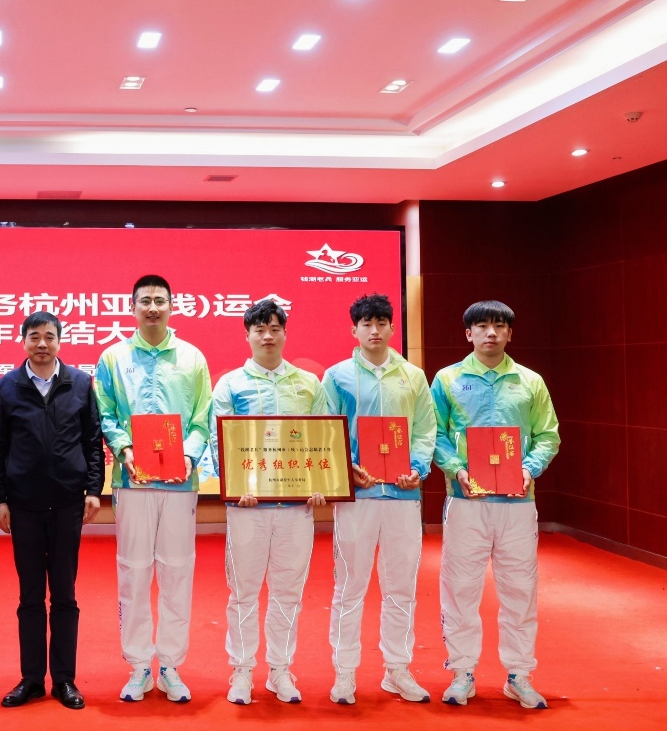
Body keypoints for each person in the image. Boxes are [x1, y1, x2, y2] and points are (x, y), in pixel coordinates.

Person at [431, 300, 559, 709]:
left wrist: (529, 469)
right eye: (482, 326)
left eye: (499, 326)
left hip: (518, 503)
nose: (491, 333)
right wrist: (455, 469)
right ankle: (462, 672)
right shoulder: (447, 379)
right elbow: (434, 433)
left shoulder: (530, 381)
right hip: (466, 500)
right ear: (468, 333)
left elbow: (548, 435)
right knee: (460, 588)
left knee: (520, 589)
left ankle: (519, 675)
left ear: (509, 334)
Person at [94, 274, 212, 703]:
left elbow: (202, 417)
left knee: (177, 571)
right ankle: (139, 665)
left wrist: (190, 455)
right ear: (132, 307)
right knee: (134, 570)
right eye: (144, 300)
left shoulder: (192, 358)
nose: (152, 307)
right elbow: (105, 412)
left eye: (160, 300)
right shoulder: (113, 358)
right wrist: (123, 448)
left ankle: (171, 666)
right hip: (133, 482)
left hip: (180, 484)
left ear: (171, 306)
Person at [211, 299, 329, 705]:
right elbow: (219, 440)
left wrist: (320, 483)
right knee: (243, 592)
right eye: (259, 329)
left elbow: (322, 440)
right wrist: (234, 485)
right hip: (248, 507)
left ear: (285, 334)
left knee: (288, 592)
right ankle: (242, 670)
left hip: (296, 508)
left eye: (274, 328)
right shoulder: (230, 384)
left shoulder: (308, 384)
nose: (267, 336)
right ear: (247, 335)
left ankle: (280, 669)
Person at [321, 293, 436, 705]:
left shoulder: (413, 377)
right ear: (353, 330)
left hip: (403, 495)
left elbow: (425, 429)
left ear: (391, 328)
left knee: (401, 586)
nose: (374, 330)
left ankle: (397, 669)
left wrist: (418, 467)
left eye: (381, 323)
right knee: (350, 585)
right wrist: (347, 466)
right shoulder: (337, 376)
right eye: (366, 323)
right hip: (359, 496)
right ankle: (344, 672)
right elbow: (326, 429)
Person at [0, 311, 104, 710]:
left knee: (65, 594)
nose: (42, 343)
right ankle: (32, 679)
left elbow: (92, 440)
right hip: (24, 505)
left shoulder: (80, 383)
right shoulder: (7, 387)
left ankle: (65, 680)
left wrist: (94, 489)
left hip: (68, 503)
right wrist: (0, 498)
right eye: (34, 336)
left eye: (49, 336)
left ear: (59, 341)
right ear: (23, 341)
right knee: (30, 596)